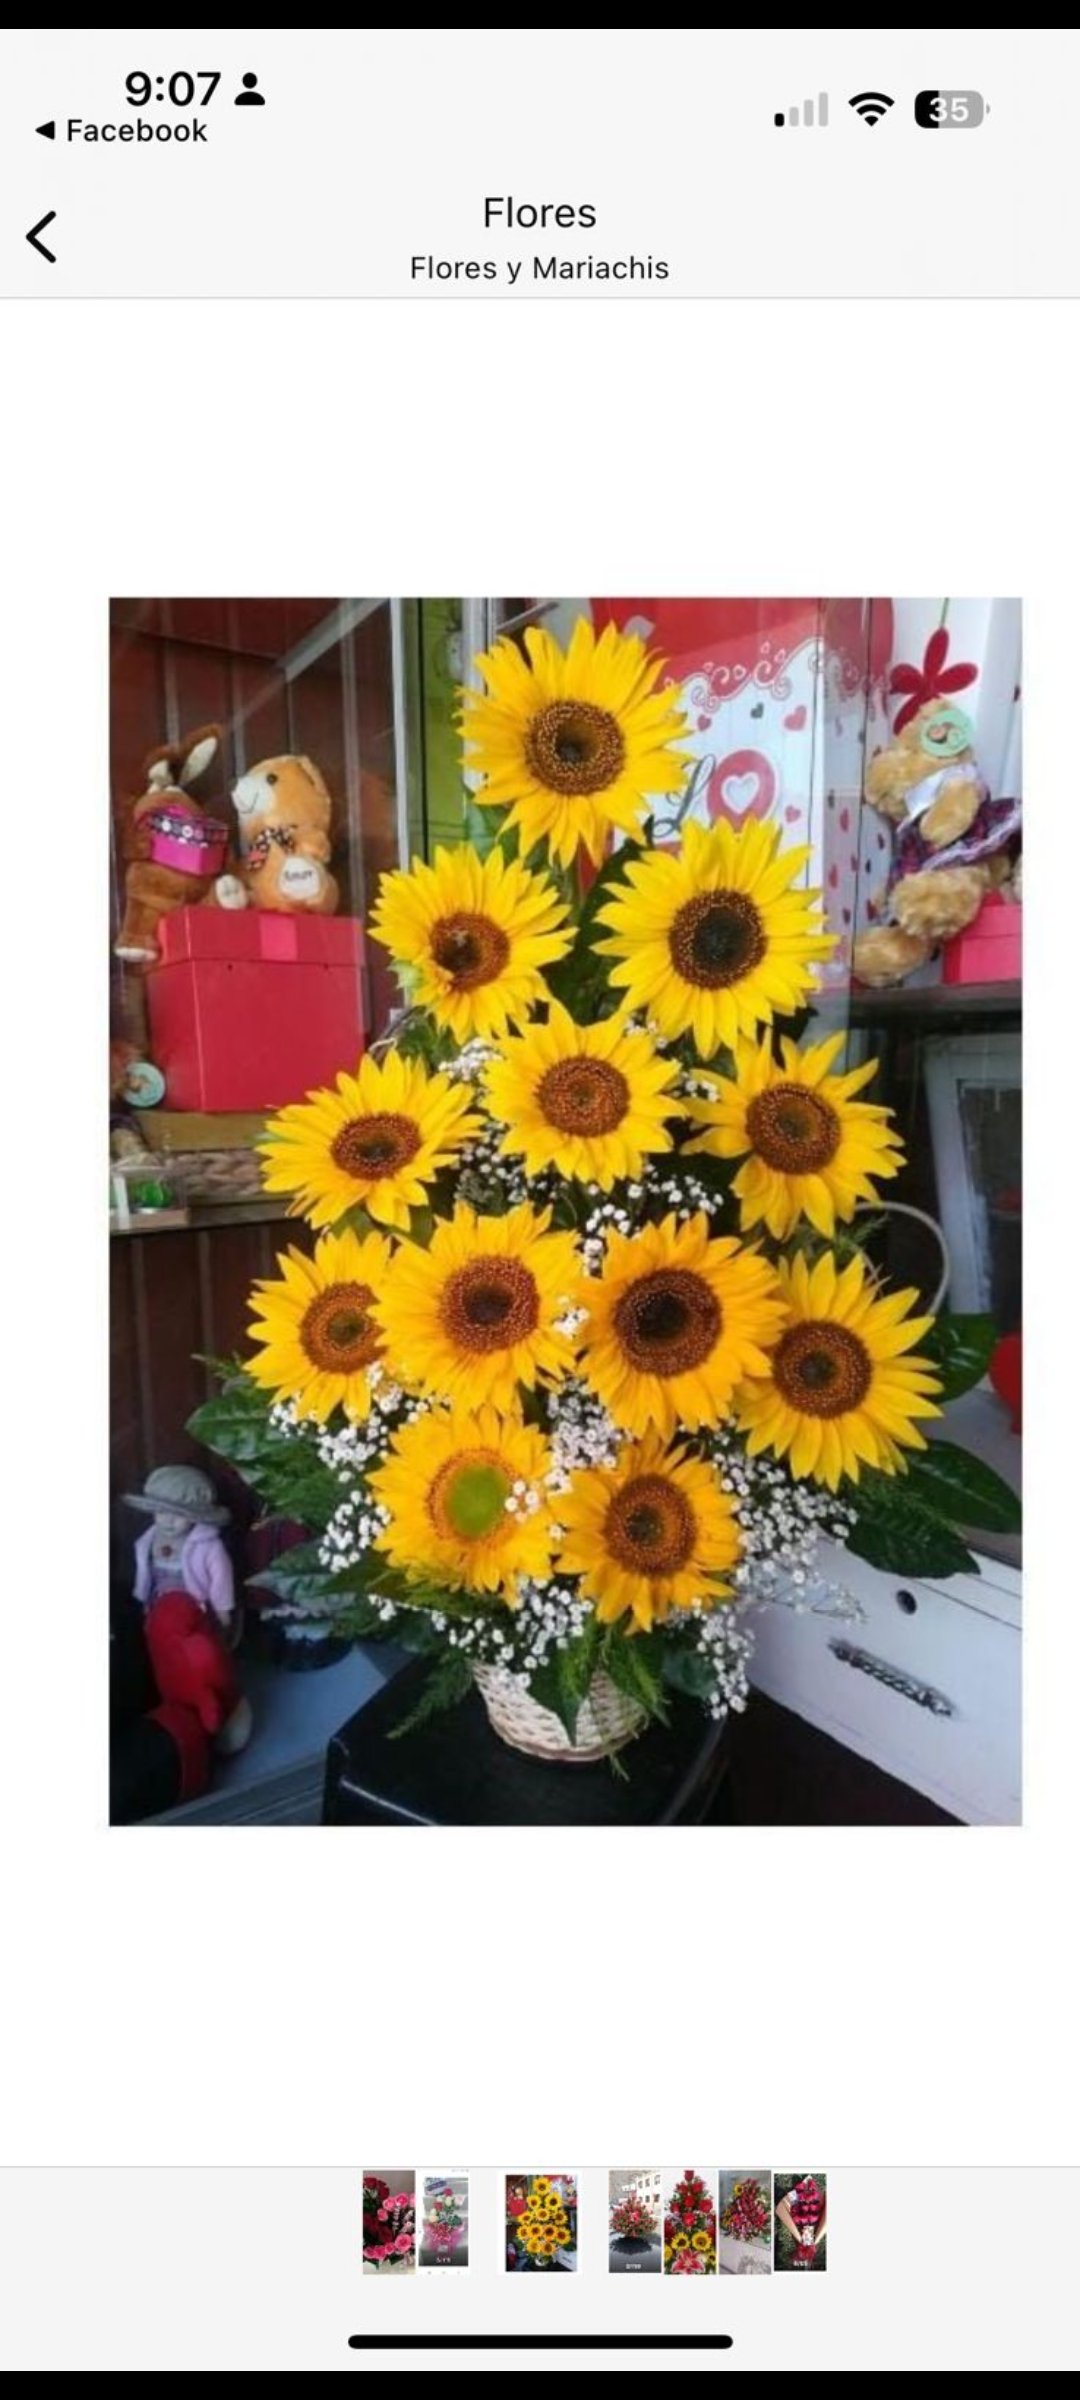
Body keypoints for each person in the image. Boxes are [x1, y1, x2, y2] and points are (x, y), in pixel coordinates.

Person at [775, 2175, 826, 2268]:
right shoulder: (814, 2219)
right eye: (809, 2238)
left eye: (804, 2238)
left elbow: (792, 2205)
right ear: (813, 2236)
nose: (806, 2235)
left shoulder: (798, 2220)